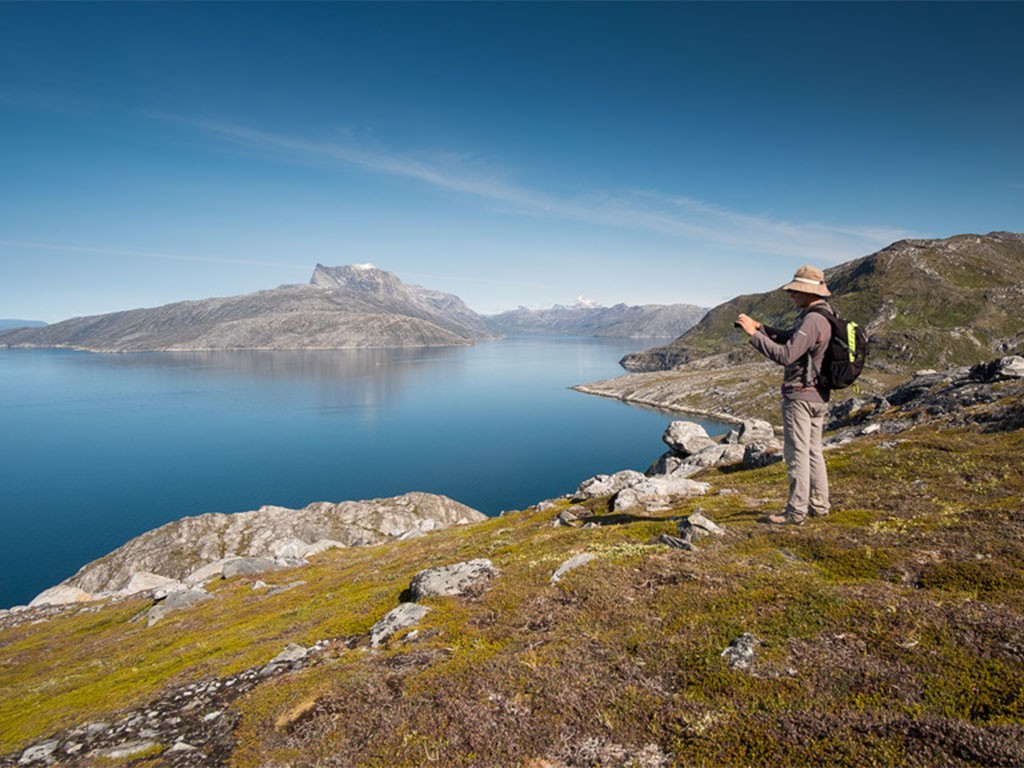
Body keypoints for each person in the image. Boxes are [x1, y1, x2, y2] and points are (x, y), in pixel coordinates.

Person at [735, 265, 833, 525]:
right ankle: (820, 505)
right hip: (818, 396)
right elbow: (792, 339)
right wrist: (762, 327)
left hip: (800, 397)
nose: (791, 296)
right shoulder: (825, 315)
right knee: (814, 452)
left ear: (807, 292)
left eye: (795, 292)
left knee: (797, 454)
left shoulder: (812, 319)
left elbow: (786, 354)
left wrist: (753, 335)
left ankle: (796, 512)